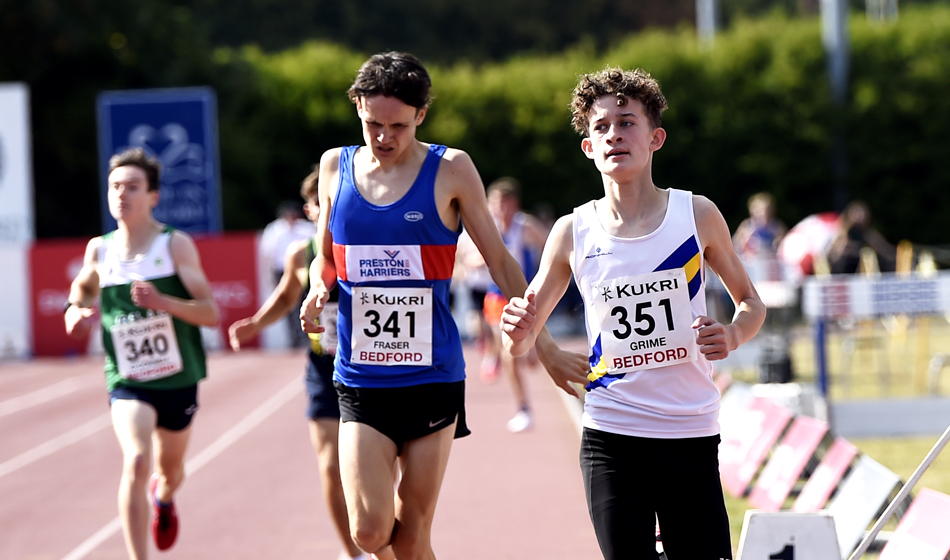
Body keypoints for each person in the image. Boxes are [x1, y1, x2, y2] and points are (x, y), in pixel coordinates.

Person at [297, 52, 571, 560]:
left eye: (398, 126)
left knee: (415, 529)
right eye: (373, 123)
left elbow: (502, 264)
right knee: (371, 533)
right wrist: (318, 286)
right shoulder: (336, 165)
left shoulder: (451, 168)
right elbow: (323, 256)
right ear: (357, 107)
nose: (384, 137)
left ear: (421, 114)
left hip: (432, 378)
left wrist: (545, 345)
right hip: (361, 376)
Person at [500, 67, 766, 560]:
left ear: (655, 138)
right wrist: (514, 332)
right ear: (587, 147)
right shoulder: (572, 231)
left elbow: (751, 304)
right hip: (612, 434)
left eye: (627, 123)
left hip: (689, 430)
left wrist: (731, 335)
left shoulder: (697, 215)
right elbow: (521, 338)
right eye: (601, 127)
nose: (614, 135)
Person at [228, 168, 394, 560]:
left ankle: (381, 538)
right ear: (310, 209)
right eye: (323, 203)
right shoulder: (300, 254)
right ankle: (351, 553)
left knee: (380, 471)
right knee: (331, 467)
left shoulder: (371, 244)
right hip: (324, 368)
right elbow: (287, 296)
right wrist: (256, 323)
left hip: (375, 369)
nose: (332, 210)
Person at [64, 147, 220, 559]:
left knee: (169, 471)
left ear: (152, 196)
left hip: (178, 377)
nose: (122, 194)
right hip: (129, 378)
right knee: (135, 459)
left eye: (132, 187)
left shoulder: (175, 246)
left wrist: (163, 302)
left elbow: (210, 314)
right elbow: (80, 291)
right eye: (115, 186)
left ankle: (164, 497)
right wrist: (74, 312)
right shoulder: (100, 250)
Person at [481, 177, 549, 432]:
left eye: (504, 203)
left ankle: (533, 351)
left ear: (514, 204)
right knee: (509, 355)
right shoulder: (486, 227)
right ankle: (523, 408)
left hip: (527, 296)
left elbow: (552, 249)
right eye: (495, 203)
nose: (500, 208)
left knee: (530, 359)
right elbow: (468, 256)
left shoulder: (525, 226)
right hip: (497, 298)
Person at [259, 199, 316, 347]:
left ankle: (306, 336)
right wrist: (269, 275)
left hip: (304, 268)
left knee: (305, 302)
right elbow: (267, 254)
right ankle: (294, 338)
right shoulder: (274, 230)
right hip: (282, 269)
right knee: (287, 305)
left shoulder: (305, 228)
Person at [825, 199, 896, 274]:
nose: (860, 217)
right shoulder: (842, 233)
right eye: (857, 214)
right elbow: (835, 256)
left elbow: (883, 249)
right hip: (844, 273)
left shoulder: (868, 234)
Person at [732, 192, 786, 259]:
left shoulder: (777, 226)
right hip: (751, 262)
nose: (763, 213)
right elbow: (735, 244)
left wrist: (778, 242)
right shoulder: (746, 226)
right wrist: (743, 242)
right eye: (759, 209)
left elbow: (785, 246)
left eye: (766, 210)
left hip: (770, 262)